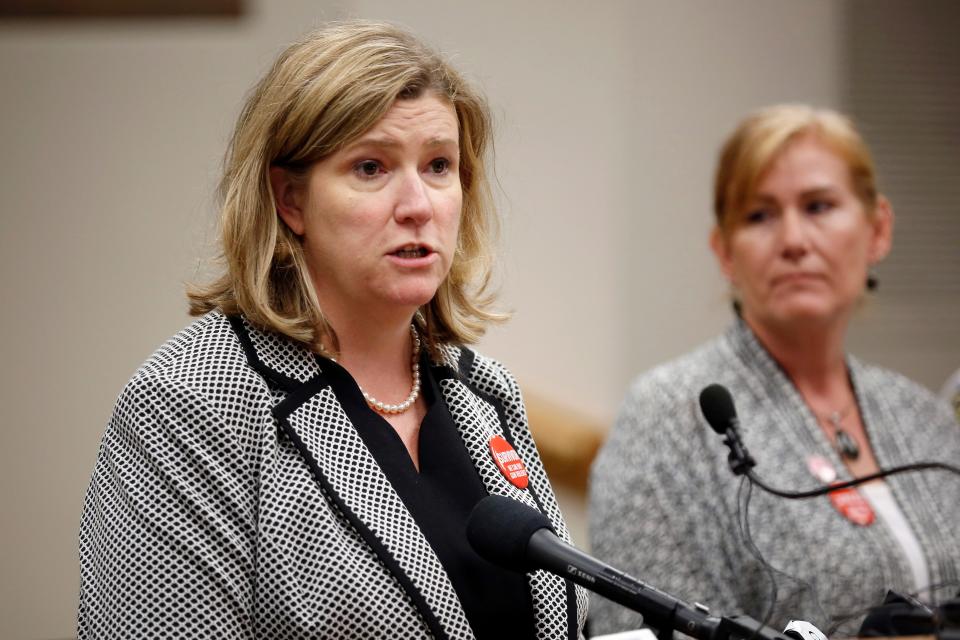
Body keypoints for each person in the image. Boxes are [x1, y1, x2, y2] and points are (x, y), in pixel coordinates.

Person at [78, 22, 587, 639]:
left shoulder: (487, 396)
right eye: (371, 167)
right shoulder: (190, 404)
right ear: (290, 200)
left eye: (438, 166)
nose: (418, 204)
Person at [589, 105, 960, 636]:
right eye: (759, 216)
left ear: (877, 229)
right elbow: (644, 628)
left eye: (819, 206)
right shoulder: (669, 417)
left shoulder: (922, 414)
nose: (793, 241)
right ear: (725, 253)